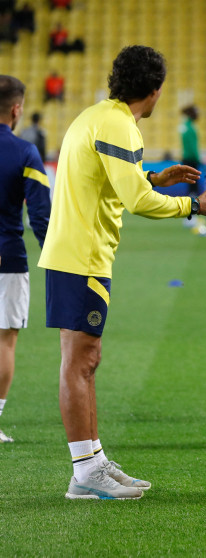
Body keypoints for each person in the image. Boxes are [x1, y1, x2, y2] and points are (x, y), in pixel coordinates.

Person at [37, 45, 206, 500]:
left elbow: (109, 180)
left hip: (76, 253)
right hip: (82, 255)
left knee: (87, 359)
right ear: (155, 90)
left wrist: (152, 177)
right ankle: (84, 472)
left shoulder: (97, 116)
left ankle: (93, 462)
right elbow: (136, 202)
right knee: (80, 361)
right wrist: (195, 205)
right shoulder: (119, 125)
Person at [0, 75, 51, 444]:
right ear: (16, 109)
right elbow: (41, 215)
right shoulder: (26, 153)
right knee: (4, 340)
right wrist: (55, 257)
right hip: (8, 258)